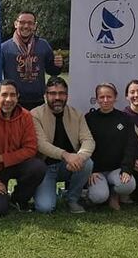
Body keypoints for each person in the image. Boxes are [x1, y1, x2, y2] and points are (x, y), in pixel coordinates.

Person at [0, 80, 46, 216]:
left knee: (38, 166)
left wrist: (3, 158)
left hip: (14, 164)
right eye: (4, 95)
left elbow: (31, 149)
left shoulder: (25, 116)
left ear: (18, 97)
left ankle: (18, 199)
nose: (8, 99)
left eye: (13, 95)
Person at [31, 76, 95, 214]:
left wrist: (80, 157)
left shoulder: (77, 114)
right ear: (45, 95)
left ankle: (72, 199)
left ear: (67, 95)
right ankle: (45, 192)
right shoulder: (34, 115)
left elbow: (88, 140)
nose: (57, 97)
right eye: (53, 93)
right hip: (45, 168)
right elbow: (41, 144)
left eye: (61, 93)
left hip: (70, 166)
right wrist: (66, 155)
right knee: (45, 208)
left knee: (87, 163)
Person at [84, 83, 137, 210]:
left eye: (109, 96)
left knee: (127, 185)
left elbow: (130, 146)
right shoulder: (89, 118)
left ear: (115, 97)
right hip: (97, 171)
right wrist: (90, 170)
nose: (105, 100)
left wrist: (126, 169)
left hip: (116, 170)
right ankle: (97, 194)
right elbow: (82, 145)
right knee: (98, 197)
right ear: (96, 99)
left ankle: (114, 194)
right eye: (101, 97)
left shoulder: (125, 119)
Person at [1, 11, 63, 110]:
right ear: (16, 24)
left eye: (30, 23)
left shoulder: (43, 45)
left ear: (35, 26)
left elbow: (52, 71)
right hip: (14, 102)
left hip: (38, 101)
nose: (26, 26)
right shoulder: (4, 48)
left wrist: (58, 65)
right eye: (22, 22)